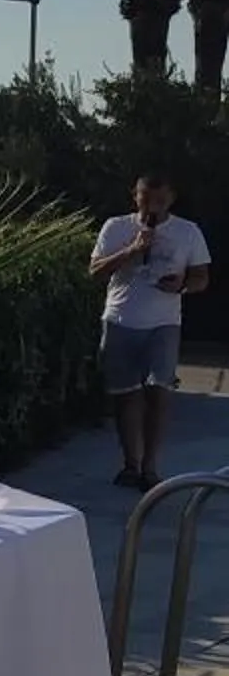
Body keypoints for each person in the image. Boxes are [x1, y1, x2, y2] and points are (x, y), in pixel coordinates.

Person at [91, 171, 211, 489]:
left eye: (160, 200)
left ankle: (151, 468)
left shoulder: (188, 232)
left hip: (164, 323)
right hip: (120, 319)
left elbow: (202, 276)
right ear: (136, 197)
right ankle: (130, 464)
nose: (153, 207)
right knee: (125, 395)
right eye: (146, 200)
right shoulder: (116, 227)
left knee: (160, 391)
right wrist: (130, 250)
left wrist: (182, 284)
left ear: (171, 198)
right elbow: (95, 271)